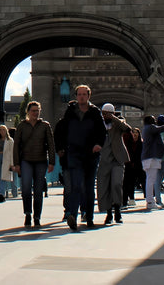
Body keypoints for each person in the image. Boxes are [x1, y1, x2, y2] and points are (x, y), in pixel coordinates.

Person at [54, 84, 106, 231]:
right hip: (74, 153)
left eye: (84, 94)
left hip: (91, 155)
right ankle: (73, 217)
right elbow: (61, 130)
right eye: (79, 94)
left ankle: (89, 217)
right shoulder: (70, 112)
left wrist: (99, 145)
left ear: (88, 96)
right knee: (76, 186)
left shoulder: (95, 112)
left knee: (88, 188)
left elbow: (102, 132)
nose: (81, 97)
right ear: (76, 96)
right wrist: (61, 148)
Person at [13, 100, 55, 229]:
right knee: (25, 188)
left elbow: (51, 144)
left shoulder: (45, 125)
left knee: (38, 190)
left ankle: (37, 216)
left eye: (37, 111)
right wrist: (17, 163)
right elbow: (16, 145)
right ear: (28, 112)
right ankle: (27, 213)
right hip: (26, 161)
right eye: (33, 111)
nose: (35, 113)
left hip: (41, 161)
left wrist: (52, 162)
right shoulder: (21, 126)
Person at [96, 103, 131, 224]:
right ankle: (108, 213)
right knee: (104, 187)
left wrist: (114, 118)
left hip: (117, 159)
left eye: (108, 113)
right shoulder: (99, 123)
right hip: (104, 159)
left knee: (116, 184)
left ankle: (118, 211)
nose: (105, 116)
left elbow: (127, 129)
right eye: (104, 113)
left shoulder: (118, 123)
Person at [0, 125, 15, 202]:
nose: (2, 131)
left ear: (6, 131)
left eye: (3, 130)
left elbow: (12, 153)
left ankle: (1, 194)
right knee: (0, 177)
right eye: (0, 130)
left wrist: (12, 163)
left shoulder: (10, 141)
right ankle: (1, 193)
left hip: (6, 159)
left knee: (3, 177)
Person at [122, 127, 144, 207]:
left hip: (138, 165)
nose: (134, 134)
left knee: (133, 183)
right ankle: (125, 200)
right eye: (133, 132)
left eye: (136, 132)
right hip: (128, 165)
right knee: (126, 183)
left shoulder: (141, 143)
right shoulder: (128, 142)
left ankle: (131, 198)